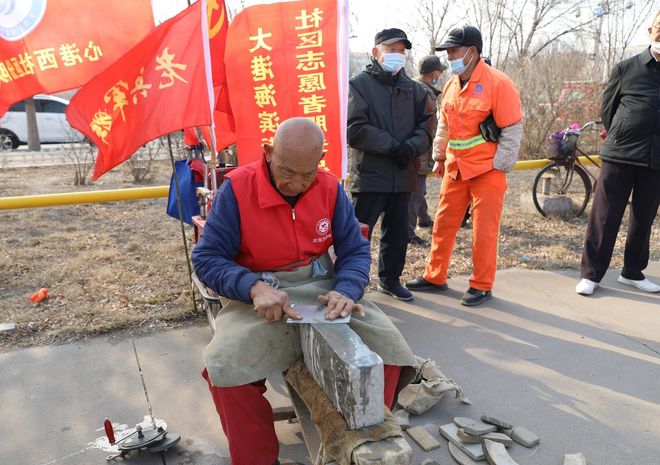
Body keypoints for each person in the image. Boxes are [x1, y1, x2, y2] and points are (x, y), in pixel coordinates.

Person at [192, 118, 417, 465]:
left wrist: (347, 289)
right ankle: (257, 459)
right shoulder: (236, 190)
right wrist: (252, 287)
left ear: (321, 161)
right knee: (223, 370)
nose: (296, 184)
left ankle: (362, 443)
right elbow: (206, 258)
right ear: (268, 153)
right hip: (260, 295)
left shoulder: (329, 188)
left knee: (389, 350)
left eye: (307, 174)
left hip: (323, 289)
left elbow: (355, 250)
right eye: (287, 171)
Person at [406, 25, 523, 306]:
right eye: (447, 52)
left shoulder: (498, 83)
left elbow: (513, 128)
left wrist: (500, 166)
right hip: (455, 169)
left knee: (484, 232)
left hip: (487, 172)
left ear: (472, 51)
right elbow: (445, 124)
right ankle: (435, 276)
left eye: (454, 51)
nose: (449, 57)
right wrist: (438, 156)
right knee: (443, 225)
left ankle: (482, 285)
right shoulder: (451, 84)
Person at [575, 10, 660, 296]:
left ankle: (632, 272)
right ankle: (591, 274)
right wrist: (623, 134)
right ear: (651, 30)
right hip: (620, 154)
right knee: (605, 215)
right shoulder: (627, 68)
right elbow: (608, 111)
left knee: (644, 218)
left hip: (656, 159)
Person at [347, 27, 435, 301]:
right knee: (358, 234)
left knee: (397, 233)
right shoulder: (359, 84)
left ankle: (390, 279)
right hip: (371, 175)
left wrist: (411, 147)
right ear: (376, 52)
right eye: (390, 50)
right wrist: (391, 145)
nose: (397, 55)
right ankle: (350, 283)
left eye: (401, 51)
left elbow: (428, 124)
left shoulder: (415, 89)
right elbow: (355, 128)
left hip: (403, 173)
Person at [408, 55, 446, 247]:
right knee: (416, 191)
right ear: (435, 74)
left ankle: (424, 218)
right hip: (420, 151)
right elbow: (427, 125)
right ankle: (408, 232)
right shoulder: (424, 92)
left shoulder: (414, 87)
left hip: (417, 149)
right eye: (440, 72)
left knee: (418, 190)